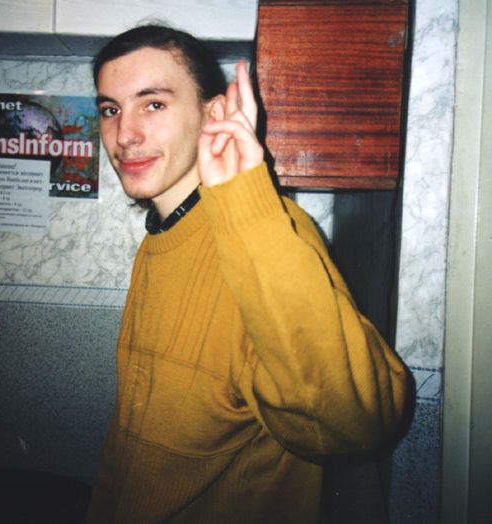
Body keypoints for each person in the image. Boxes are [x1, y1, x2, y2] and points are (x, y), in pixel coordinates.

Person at [86, 24, 409, 523]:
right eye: (111, 109)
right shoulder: (162, 237)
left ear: (213, 114)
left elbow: (355, 425)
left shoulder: (270, 231)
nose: (124, 134)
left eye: (153, 104)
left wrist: (247, 204)